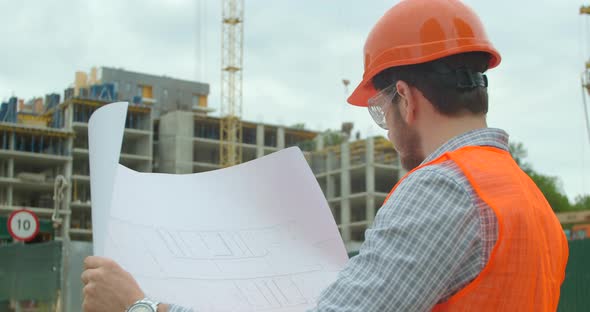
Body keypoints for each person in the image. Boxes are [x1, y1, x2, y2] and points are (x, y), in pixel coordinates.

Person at [81, 0, 569, 311]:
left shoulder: (443, 188)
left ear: (407, 97)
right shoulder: (528, 201)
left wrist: (140, 308)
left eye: (382, 112)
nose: (389, 133)